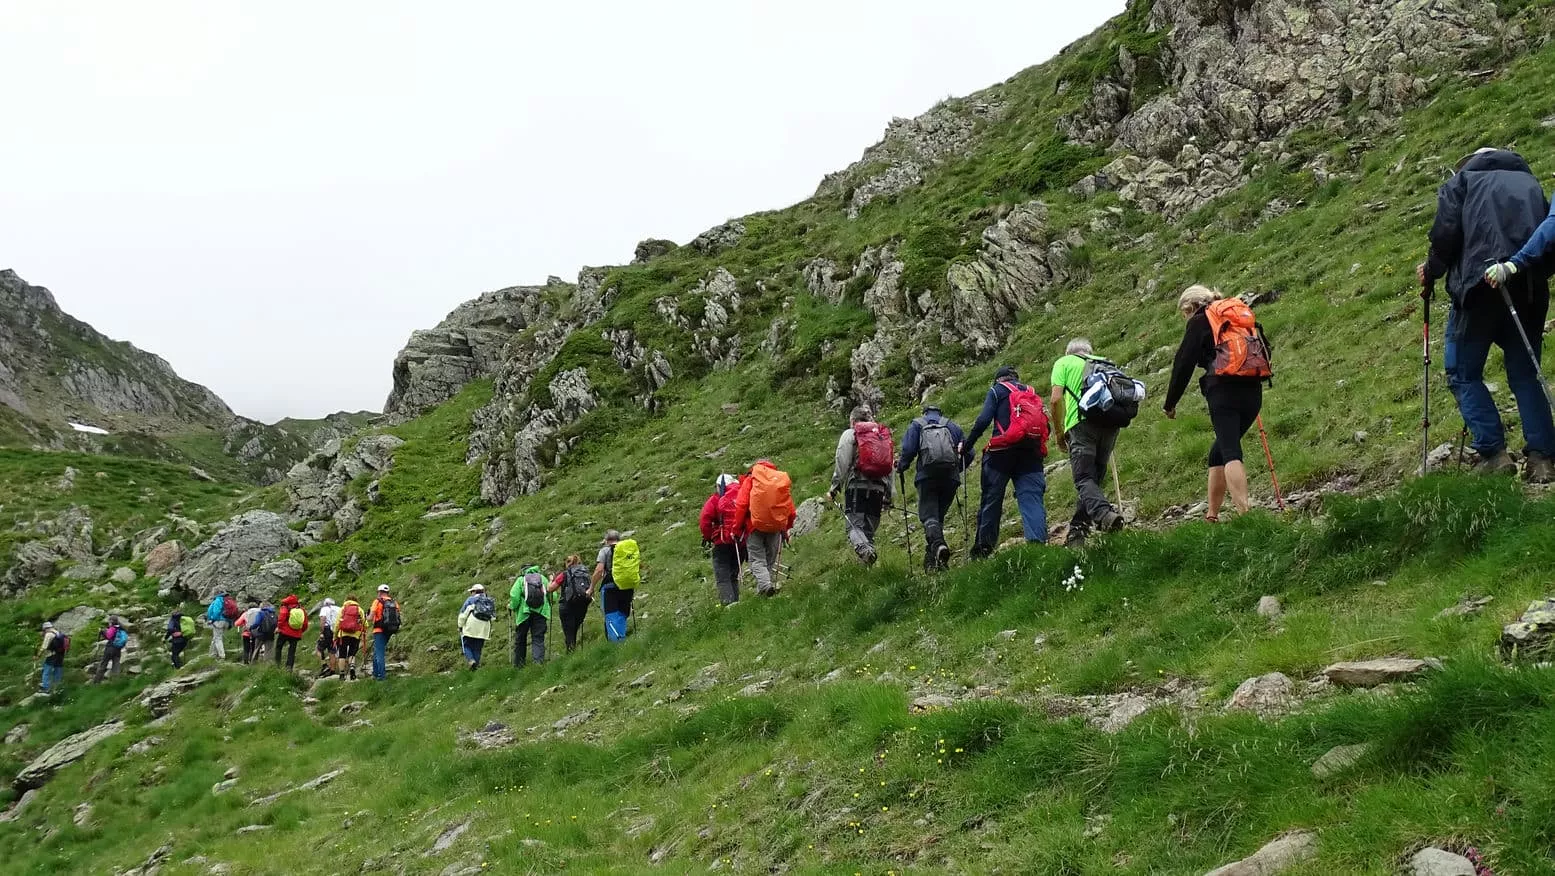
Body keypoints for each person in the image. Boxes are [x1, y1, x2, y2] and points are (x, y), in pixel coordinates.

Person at [1428, 148, 1555, 481]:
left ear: (1470, 162)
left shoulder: (1463, 181)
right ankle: (1542, 459)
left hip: (1479, 287)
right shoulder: (1530, 184)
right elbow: (1547, 239)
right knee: (1526, 373)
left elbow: (1445, 236)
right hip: (1527, 287)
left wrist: (1431, 272)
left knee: (1462, 371)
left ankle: (1494, 455)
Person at [1163, 286, 1273, 521]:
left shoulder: (1200, 320)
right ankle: (1212, 515)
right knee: (1219, 451)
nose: (1185, 319)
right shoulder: (1237, 315)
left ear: (1189, 307)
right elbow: (1264, 347)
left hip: (1223, 391)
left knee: (1231, 450)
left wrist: (1170, 403)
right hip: (1253, 390)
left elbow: (1183, 363)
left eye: (1184, 314)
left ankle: (1246, 515)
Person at [964, 366, 1051, 556]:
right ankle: (1037, 548)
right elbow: (1045, 425)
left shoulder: (996, 391)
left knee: (991, 501)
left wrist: (966, 446)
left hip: (1000, 454)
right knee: (1031, 498)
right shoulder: (1030, 392)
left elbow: (982, 421)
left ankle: (983, 551)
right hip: (1031, 453)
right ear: (1016, 378)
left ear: (998, 380)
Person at [1051, 338, 1126, 546]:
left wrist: (1058, 433)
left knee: (1084, 478)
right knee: (1093, 480)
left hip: (1081, 425)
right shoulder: (1104, 362)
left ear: (1069, 353)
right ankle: (1078, 533)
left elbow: (1056, 399)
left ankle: (1105, 515)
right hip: (1110, 424)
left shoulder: (1063, 363)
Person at [896, 404, 967, 570]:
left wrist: (901, 466)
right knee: (938, 517)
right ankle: (934, 565)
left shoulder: (917, 424)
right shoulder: (952, 426)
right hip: (950, 478)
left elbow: (908, 450)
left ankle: (938, 545)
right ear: (940, 413)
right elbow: (967, 452)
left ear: (925, 413)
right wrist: (957, 470)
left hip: (927, 477)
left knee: (929, 517)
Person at [827, 406, 894, 565]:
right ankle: (868, 570)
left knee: (854, 528)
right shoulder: (880, 437)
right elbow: (890, 467)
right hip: (879, 489)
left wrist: (835, 487)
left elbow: (842, 462)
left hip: (857, 486)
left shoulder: (850, 434)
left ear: (852, 421)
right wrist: (889, 495)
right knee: (868, 532)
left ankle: (865, 551)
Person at [733, 460, 796, 596]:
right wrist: (785, 529)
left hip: (754, 527)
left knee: (757, 560)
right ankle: (765, 590)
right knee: (769, 560)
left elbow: (741, 505)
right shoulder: (778, 481)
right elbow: (790, 509)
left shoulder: (751, 479)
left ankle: (766, 587)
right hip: (775, 527)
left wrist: (737, 529)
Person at [699, 474, 746, 604]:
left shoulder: (715, 499)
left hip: (722, 542)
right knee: (733, 575)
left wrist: (710, 537)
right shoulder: (742, 495)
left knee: (723, 576)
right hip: (740, 542)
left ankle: (728, 603)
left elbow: (704, 521)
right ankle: (736, 602)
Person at [511, 565, 552, 665]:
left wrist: (512, 606)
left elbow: (514, 596)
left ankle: (519, 664)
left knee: (520, 639)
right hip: (540, 613)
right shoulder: (542, 579)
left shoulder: (521, 580)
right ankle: (538, 663)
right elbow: (552, 595)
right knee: (538, 638)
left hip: (524, 613)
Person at [552, 555, 593, 652]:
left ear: (567, 563)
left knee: (568, 630)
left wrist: (551, 580)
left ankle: (570, 651)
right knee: (574, 628)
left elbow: (550, 588)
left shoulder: (565, 574)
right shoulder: (585, 572)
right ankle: (572, 650)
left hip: (567, 604)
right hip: (582, 603)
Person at [458, 584, 494, 670]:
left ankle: (471, 660)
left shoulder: (471, 600)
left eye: (471, 591)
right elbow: (493, 617)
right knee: (477, 648)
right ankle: (475, 667)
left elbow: (463, 614)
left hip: (471, 625)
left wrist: (460, 626)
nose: (471, 593)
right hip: (484, 627)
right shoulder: (489, 601)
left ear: (475, 591)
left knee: (466, 645)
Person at [370, 584, 401, 681]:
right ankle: (375, 674)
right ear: (388, 592)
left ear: (379, 592)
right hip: (390, 630)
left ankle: (381, 676)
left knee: (379, 652)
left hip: (378, 630)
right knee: (377, 651)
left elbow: (371, 617)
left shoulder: (377, 601)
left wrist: (365, 618)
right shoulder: (394, 602)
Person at [334, 595, 366, 680]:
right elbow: (365, 623)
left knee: (342, 654)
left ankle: (341, 674)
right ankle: (352, 668)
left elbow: (337, 624)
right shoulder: (360, 609)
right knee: (352, 653)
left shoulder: (343, 608)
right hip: (355, 634)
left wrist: (335, 636)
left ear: (346, 600)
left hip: (343, 634)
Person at [274, 594, 309, 670]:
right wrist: (300, 631)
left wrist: (279, 628)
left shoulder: (285, 608)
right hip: (296, 634)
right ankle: (289, 668)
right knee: (292, 651)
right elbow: (305, 623)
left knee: (278, 647)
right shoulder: (301, 609)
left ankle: (277, 666)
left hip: (284, 632)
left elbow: (281, 619)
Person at [93, 615, 127, 683]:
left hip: (110, 649)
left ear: (111, 621)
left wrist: (103, 631)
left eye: (109, 621)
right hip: (118, 649)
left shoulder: (113, 628)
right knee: (116, 665)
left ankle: (96, 682)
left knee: (103, 664)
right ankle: (115, 682)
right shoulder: (121, 628)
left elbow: (109, 636)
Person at [315, 598, 340, 677]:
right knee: (332, 651)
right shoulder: (339, 608)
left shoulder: (324, 609)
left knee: (318, 648)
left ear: (325, 603)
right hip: (336, 631)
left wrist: (322, 632)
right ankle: (332, 671)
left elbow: (323, 619)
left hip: (327, 630)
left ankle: (324, 665)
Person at [205, 590, 234, 661]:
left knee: (218, 638)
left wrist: (212, 619)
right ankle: (212, 654)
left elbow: (216, 611)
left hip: (219, 621)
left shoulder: (218, 600)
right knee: (216, 637)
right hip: (227, 621)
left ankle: (222, 656)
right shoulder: (229, 600)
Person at [38, 621, 65, 695]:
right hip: (61, 654)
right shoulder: (58, 633)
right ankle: (57, 687)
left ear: (45, 628)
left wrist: (38, 655)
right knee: (58, 670)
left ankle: (46, 688)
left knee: (46, 670)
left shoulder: (49, 634)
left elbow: (44, 647)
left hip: (52, 655)